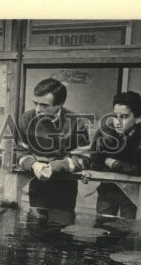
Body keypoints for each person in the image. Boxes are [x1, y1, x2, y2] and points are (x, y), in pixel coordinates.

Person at [14, 77, 90, 223]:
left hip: (65, 187)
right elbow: (20, 152)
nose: (37, 110)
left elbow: (83, 159)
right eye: (35, 103)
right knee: (35, 232)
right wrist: (33, 164)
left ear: (59, 105)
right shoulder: (26, 119)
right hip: (37, 184)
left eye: (44, 105)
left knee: (61, 233)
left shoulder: (76, 122)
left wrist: (54, 167)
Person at [87, 91, 141, 219]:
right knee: (102, 228)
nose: (118, 122)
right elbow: (95, 161)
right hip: (108, 191)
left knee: (127, 231)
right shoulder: (104, 133)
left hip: (132, 196)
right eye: (115, 116)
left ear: (138, 118)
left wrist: (116, 164)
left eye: (124, 116)